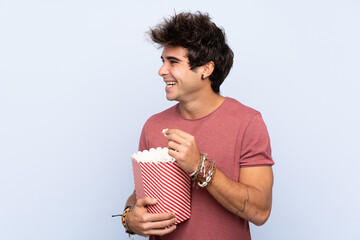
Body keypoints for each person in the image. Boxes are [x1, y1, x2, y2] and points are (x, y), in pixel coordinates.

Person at [122, 11, 274, 240]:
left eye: (173, 62)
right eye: (163, 61)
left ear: (206, 69)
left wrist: (199, 166)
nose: (162, 71)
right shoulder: (154, 126)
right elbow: (139, 197)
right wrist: (130, 218)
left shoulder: (247, 122)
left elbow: (260, 211)